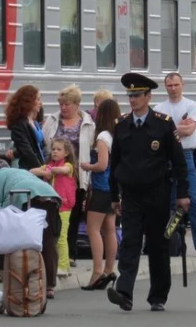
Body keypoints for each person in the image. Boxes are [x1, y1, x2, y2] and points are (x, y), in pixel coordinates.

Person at [107, 73, 189, 313]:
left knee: (158, 244)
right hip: (131, 195)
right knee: (130, 242)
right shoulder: (122, 124)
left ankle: (158, 296)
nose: (133, 99)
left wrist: (183, 194)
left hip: (157, 193)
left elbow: (179, 162)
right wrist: (114, 196)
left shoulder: (163, 123)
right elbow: (116, 164)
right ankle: (124, 292)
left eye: (137, 95)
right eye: (130, 95)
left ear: (148, 96)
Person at [0, 160, 63, 299]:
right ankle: (49, 285)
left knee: (1, 226)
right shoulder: (20, 171)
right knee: (46, 238)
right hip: (49, 195)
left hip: (23, 195)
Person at [41, 84, 96, 272]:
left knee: (72, 215)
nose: (63, 107)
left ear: (77, 104)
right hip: (54, 174)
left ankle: (71, 253)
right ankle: (55, 253)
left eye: (67, 104)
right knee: (54, 213)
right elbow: (44, 142)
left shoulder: (87, 123)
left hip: (76, 173)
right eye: (61, 103)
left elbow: (91, 147)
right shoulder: (52, 120)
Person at [154, 72, 196, 257]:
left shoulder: (192, 106)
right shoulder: (159, 107)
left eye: (176, 85)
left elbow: (190, 129)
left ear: (182, 84)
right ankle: (172, 242)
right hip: (165, 157)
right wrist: (178, 127)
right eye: (170, 85)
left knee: (192, 199)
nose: (173, 88)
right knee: (169, 201)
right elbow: (159, 133)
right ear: (165, 86)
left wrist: (168, 128)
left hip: (186, 155)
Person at [80, 98, 120, 291]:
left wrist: (88, 166)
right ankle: (110, 269)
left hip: (101, 187)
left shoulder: (103, 136)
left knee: (93, 229)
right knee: (110, 229)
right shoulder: (117, 134)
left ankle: (97, 272)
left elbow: (102, 165)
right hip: (113, 188)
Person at [32, 137, 77, 277]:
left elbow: (63, 170)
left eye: (59, 149)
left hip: (64, 206)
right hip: (53, 206)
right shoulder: (49, 167)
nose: (55, 152)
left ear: (66, 153)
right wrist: (44, 172)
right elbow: (32, 171)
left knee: (62, 236)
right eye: (53, 149)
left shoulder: (68, 166)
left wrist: (52, 170)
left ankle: (64, 266)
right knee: (53, 237)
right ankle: (60, 264)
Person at [4, 85, 45, 170]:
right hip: (31, 169)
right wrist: (41, 170)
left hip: (41, 166)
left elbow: (39, 146)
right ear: (29, 102)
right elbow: (27, 151)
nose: (40, 103)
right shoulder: (19, 124)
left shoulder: (34, 122)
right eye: (38, 99)